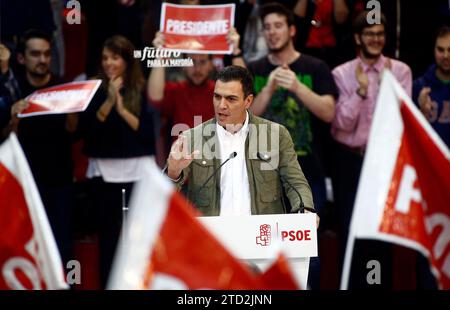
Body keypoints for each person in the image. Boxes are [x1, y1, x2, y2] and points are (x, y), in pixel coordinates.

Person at [166, 65, 314, 217]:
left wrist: (305, 209)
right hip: (212, 236)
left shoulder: (276, 135)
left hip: (261, 235)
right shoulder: (192, 138)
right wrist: (173, 172)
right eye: (217, 97)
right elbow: (164, 198)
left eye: (231, 99)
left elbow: (295, 182)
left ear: (248, 101)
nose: (221, 105)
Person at [331, 10, 412, 288]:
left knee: (381, 233)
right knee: (351, 231)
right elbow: (339, 126)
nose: (376, 39)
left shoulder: (400, 71)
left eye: (380, 34)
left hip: (384, 163)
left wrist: (388, 89)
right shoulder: (341, 73)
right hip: (350, 162)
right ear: (358, 37)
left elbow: (401, 122)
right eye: (370, 34)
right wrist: (360, 92)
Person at [247, 2, 338, 218]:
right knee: (267, 246)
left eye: (278, 26)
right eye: (267, 27)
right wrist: (268, 90)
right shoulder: (255, 69)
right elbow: (243, 120)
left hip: (308, 171)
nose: (272, 32)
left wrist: (298, 87)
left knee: (308, 246)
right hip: (264, 173)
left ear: (292, 30)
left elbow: (329, 112)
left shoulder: (315, 67)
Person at [79, 35, 155, 288]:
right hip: (104, 172)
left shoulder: (141, 87)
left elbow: (146, 132)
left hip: (138, 170)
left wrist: (121, 109)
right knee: (108, 240)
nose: (109, 63)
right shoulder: (92, 88)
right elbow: (87, 131)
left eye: (115, 57)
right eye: (105, 58)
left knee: (139, 238)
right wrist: (110, 101)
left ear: (126, 60)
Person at [3, 29, 76, 268]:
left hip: (60, 183)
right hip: (23, 186)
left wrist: (74, 112)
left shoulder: (63, 89)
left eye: (46, 54)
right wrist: (13, 119)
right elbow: (6, 143)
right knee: (25, 251)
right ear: (22, 58)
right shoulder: (13, 90)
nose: (43, 60)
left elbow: (74, 133)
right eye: (35, 54)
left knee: (62, 248)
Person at [413, 26, 450, 148]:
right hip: (427, 161)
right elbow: (409, 134)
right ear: (434, 50)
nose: (446, 55)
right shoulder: (418, 86)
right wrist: (422, 113)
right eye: (441, 49)